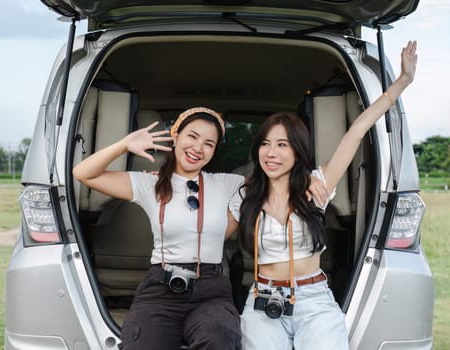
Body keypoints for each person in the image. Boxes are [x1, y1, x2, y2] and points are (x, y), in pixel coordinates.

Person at [235, 41, 418, 350]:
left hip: (313, 299)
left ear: (298, 150)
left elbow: (357, 131)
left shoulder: (315, 185)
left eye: (282, 144)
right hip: (263, 299)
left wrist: (401, 82)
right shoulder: (243, 193)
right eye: (266, 144)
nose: (272, 152)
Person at [73, 107, 244, 349]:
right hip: (161, 287)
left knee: (219, 337)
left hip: (211, 290)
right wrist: (124, 144)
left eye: (209, 143)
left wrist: (315, 183)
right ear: (176, 136)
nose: (198, 148)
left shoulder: (227, 183)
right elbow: (83, 173)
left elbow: (277, 178)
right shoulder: (149, 183)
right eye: (192, 136)